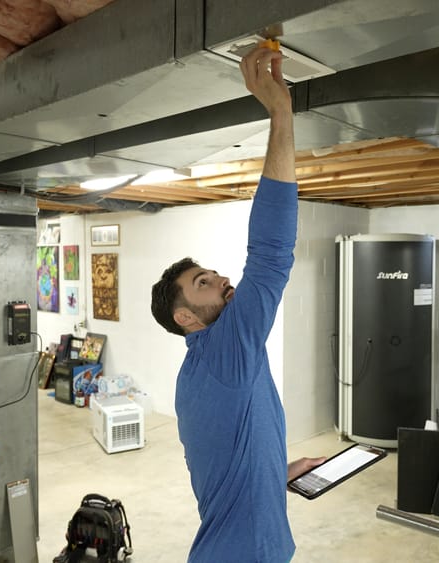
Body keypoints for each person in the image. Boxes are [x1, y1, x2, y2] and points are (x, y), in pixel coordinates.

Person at [150, 45, 325, 562]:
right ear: (186, 318)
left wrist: (274, 475)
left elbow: (227, 463)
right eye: (204, 282)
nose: (222, 279)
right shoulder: (224, 354)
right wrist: (280, 113)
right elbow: (270, 257)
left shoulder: (203, 372)